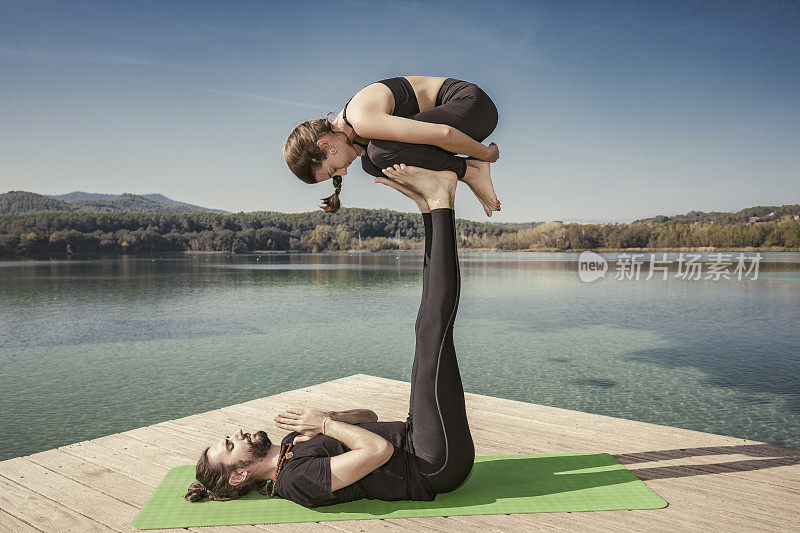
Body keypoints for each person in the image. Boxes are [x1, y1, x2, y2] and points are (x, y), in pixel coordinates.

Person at [185, 164, 475, 507]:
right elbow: (378, 451)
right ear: (239, 475)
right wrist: (323, 424)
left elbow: (369, 418)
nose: (236, 434)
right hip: (430, 462)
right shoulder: (296, 481)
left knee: (428, 327)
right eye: (231, 446)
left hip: (415, 436)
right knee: (431, 330)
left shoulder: (293, 441)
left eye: (228, 438)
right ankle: (440, 200)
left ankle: (430, 205)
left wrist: (330, 420)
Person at [283, 76, 501, 216]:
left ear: (325, 145)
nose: (344, 172)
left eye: (333, 170)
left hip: (473, 107)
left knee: (379, 153)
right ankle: (463, 172)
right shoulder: (355, 138)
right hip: (459, 125)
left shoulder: (360, 118)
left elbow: (444, 133)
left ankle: (471, 169)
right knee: (371, 164)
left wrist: (487, 155)